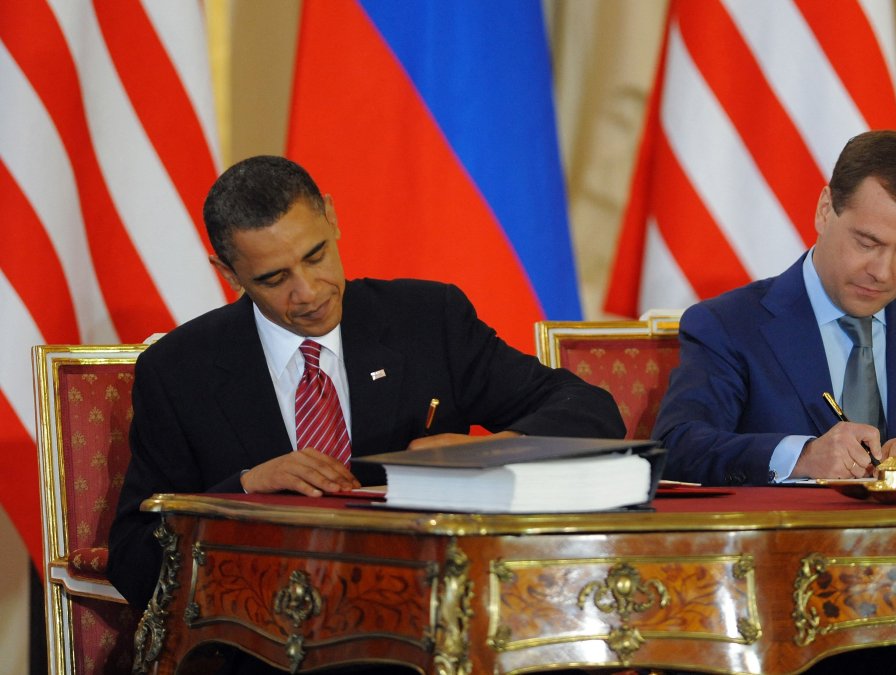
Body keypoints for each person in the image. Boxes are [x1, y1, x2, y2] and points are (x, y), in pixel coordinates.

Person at [109, 156, 625, 616]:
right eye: (273, 278)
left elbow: (590, 412)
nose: (307, 292)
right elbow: (135, 559)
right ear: (228, 273)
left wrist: (492, 450)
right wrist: (243, 489)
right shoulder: (179, 371)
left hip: (431, 620)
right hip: (265, 637)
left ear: (332, 218)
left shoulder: (427, 320)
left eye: (315, 256)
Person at [653, 130, 896, 484]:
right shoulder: (728, 324)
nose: (883, 272)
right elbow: (679, 446)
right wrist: (802, 456)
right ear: (825, 210)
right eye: (866, 243)